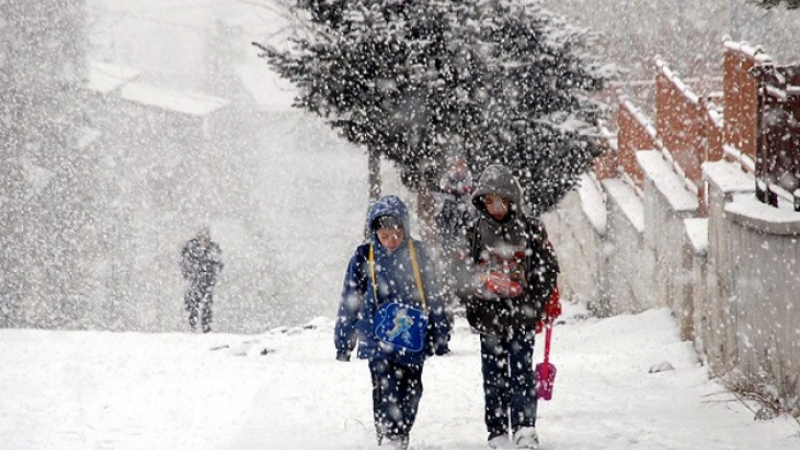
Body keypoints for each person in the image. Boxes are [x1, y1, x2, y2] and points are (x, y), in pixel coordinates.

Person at [335, 195, 451, 450]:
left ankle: (401, 431)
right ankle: (388, 434)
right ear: (375, 232)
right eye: (384, 236)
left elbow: (433, 295)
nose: (390, 242)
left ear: (405, 230)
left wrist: (440, 334)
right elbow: (350, 298)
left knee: (412, 388)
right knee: (383, 386)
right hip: (376, 336)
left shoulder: (418, 253)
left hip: (412, 336)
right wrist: (344, 340)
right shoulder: (364, 255)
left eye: (396, 235)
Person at [460, 165, 561, 449]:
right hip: (489, 317)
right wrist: (474, 302)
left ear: (512, 200)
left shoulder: (531, 229)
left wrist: (535, 302)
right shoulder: (473, 233)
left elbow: (547, 268)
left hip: (522, 315)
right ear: (482, 201)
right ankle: (496, 430)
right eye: (489, 201)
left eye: (502, 201)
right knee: (493, 375)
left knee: (521, 372)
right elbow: (459, 272)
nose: (496, 207)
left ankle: (524, 426)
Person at [434, 155, 475, 318]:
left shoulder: (470, 189)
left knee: (464, 268)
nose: (458, 169)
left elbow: (471, 220)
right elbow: (440, 217)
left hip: (464, 239)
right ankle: (448, 298)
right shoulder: (444, 189)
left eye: (461, 166)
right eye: (455, 165)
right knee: (447, 266)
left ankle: (464, 299)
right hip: (448, 237)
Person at [180, 227, 224, 333]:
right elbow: (184, 263)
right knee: (192, 304)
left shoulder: (213, 248)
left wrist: (213, 275)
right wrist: (189, 274)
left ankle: (206, 328)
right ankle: (192, 327)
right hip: (194, 280)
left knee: (207, 306)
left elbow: (219, 263)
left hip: (208, 281)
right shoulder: (190, 247)